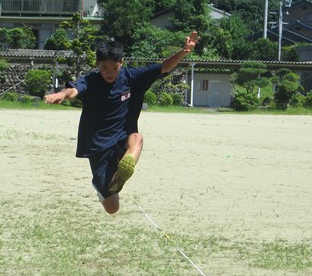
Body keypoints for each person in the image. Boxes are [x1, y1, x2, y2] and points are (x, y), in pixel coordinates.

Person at [45, 31, 199, 214]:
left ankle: (125, 167)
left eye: (114, 68)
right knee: (112, 208)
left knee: (137, 138)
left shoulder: (132, 77)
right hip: (99, 146)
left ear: (122, 63)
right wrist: (62, 94)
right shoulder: (91, 80)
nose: (109, 72)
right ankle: (105, 184)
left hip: (123, 138)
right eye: (104, 68)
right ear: (97, 64)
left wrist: (184, 51)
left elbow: (163, 67)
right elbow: (74, 90)